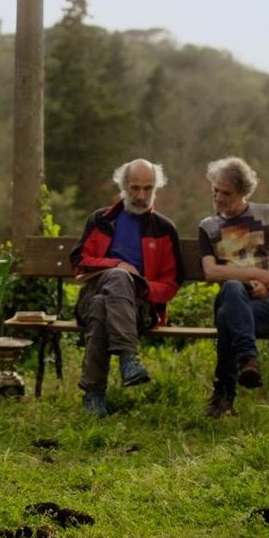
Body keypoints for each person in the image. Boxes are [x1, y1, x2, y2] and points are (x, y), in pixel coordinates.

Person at [69, 159, 183, 417]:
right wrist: (117, 265)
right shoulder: (100, 220)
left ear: (156, 188)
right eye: (135, 188)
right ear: (123, 186)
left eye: (147, 188)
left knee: (102, 305)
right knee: (116, 279)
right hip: (93, 292)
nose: (141, 196)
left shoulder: (164, 229)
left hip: (138, 308)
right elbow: (79, 262)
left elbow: (172, 283)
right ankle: (128, 359)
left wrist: (140, 287)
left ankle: (93, 395)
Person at [198, 157, 269, 419]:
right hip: (234, 297)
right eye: (215, 191)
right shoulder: (208, 227)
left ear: (243, 192)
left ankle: (223, 395)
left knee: (227, 318)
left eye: (226, 193)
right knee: (232, 288)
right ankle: (247, 359)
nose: (218, 197)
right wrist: (253, 274)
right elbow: (211, 272)